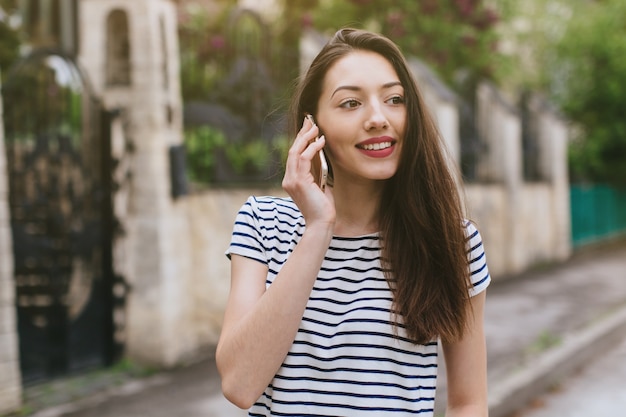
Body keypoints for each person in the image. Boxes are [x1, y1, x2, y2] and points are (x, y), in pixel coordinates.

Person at [216, 28, 491, 417]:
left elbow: (468, 402)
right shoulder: (263, 224)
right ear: (313, 126)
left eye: (395, 99)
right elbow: (239, 384)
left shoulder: (452, 241)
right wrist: (316, 230)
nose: (379, 119)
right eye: (350, 103)